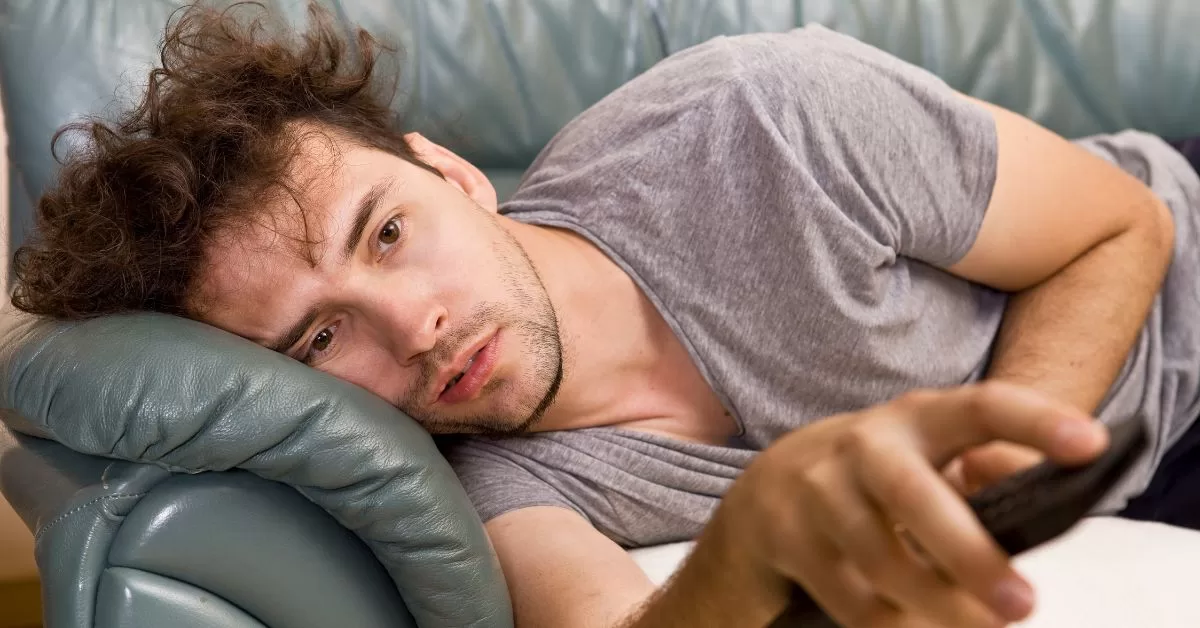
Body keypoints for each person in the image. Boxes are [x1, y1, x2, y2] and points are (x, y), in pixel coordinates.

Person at [11, 4, 1200, 627]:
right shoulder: (495, 486)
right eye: (319, 340)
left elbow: (1123, 227)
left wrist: (991, 486)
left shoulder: (765, 118)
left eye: (385, 233)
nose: (413, 329)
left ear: (452, 173)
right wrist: (747, 549)